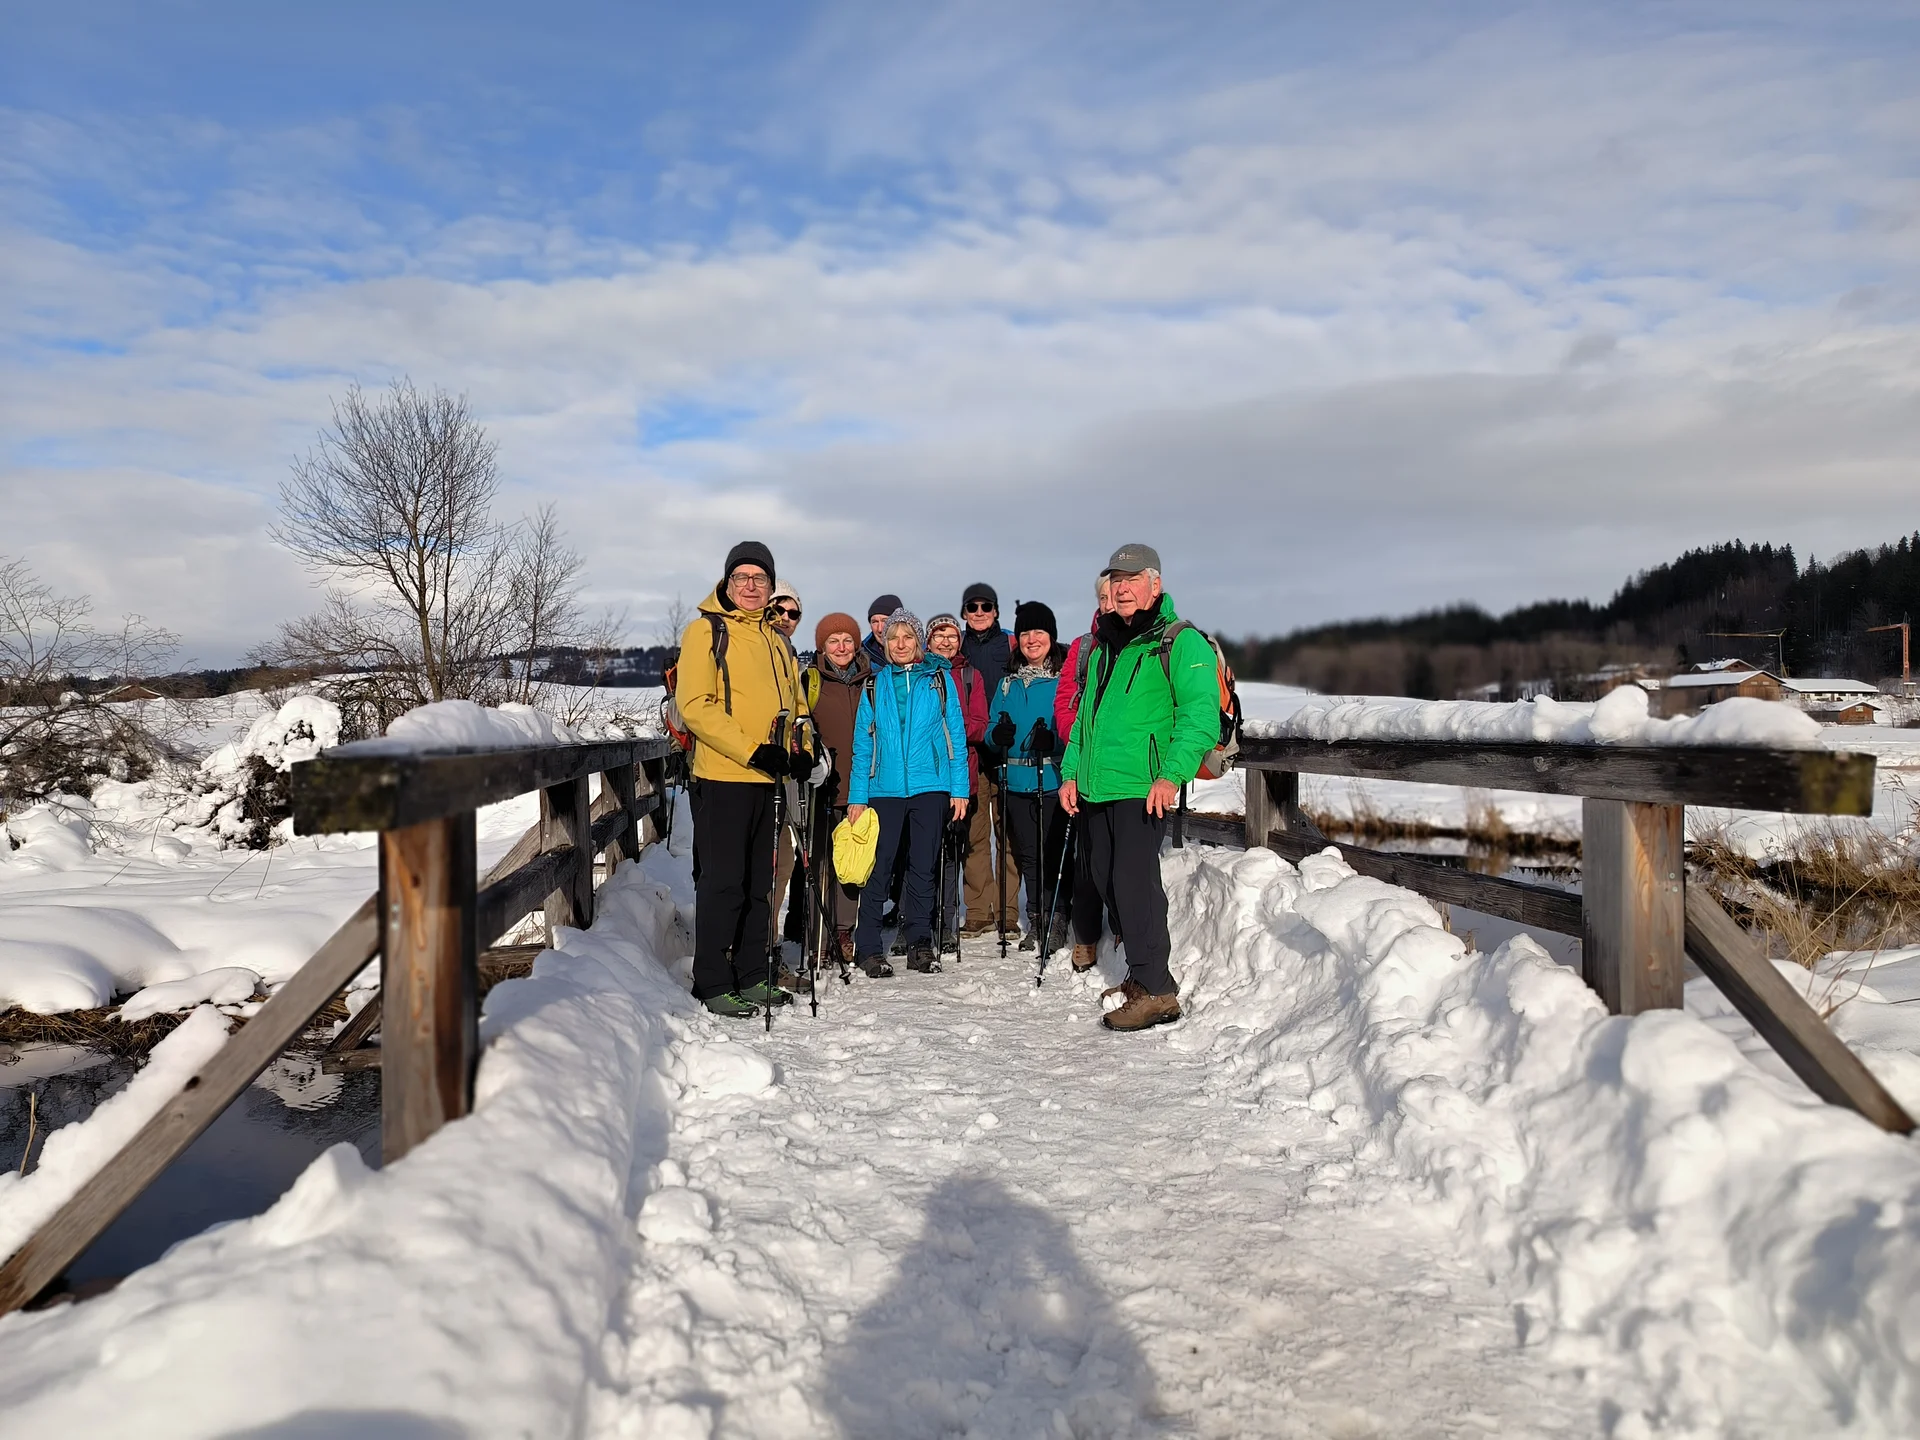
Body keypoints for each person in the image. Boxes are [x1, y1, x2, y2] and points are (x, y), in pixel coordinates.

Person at [1059, 544, 1216, 1032]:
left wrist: (1172, 774)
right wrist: (1070, 772)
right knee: (1106, 877)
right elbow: (1086, 716)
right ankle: (1141, 976)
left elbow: (1199, 716)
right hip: (1098, 785)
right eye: (1116, 580)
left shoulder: (1179, 641)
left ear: (1156, 585)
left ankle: (1157, 990)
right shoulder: (1106, 643)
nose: (1123, 588)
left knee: (1134, 884)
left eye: (1133, 579)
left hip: (1144, 785)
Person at [675, 541, 811, 1018]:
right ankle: (712, 979)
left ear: (772, 586)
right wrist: (754, 750)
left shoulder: (777, 641)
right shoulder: (706, 631)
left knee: (761, 882)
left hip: (769, 781)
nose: (751, 587)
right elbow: (696, 706)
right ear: (727, 582)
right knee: (723, 882)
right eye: (742, 578)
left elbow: (796, 709)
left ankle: (753, 973)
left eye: (760, 579)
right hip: (725, 776)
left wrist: (801, 751)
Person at [847, 609, 969, 975]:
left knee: (922, 867)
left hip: (930, 786)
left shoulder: (940, 681)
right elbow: (862, 746)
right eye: (894, 638)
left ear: (918, 643)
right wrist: (857, 795)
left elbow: (955, 740)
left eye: (908, 638)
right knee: (878, 868)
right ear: (885, 643)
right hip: (883, 788)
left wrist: (959, 788)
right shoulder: (874, 684)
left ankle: (920, 944)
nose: (900, 644)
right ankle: (867, 947)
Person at [985, 601, 1071, 953]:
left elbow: (1076, 729)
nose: (1031, 640)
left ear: (1051, 636)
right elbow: (992, 726)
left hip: (1052, 781)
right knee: (1029, 856)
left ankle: (1058, 917)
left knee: (1053, 854)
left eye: (1038, 632)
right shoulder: (1007, 684)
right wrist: (997, 736)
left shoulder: (1065, 681)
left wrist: (1057, 740)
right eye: (1024, 633)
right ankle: (1037, 917)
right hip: (1017, 783)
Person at [1055, 574, 1118, 972]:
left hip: (1130, 769)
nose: (1110, 601)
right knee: (1088, 856)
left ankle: (1128, 926)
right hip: (1087, 766)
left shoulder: (1144, 643)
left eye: (1116, 594)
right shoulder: (1082, 649)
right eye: (1104, 596)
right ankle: (1087, 937)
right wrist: (1078, 746)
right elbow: (1065, 703)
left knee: (1123, 856)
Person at [804, 611, 872, 962]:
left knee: (851, 862)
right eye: (834, 641)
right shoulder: (810, 681)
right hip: (821, 785)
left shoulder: (871, 680)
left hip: (861, 786)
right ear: (822, 646)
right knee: (819, 863)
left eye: (847, 640)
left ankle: (844, 931)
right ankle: (817, 933)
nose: (841, 647)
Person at [957, 583, 1018, 938]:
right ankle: (978, 909)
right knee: (975, 835)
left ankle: (1008, 910)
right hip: (973, 754)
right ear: (964, 613)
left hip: (1006, 752)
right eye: (972, 607)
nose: (979, 613)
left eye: (986, 606)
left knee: (1007, 834)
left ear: (996, 611)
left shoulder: (1008, 645)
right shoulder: (958, 647)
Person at [925, 613, 989, 951]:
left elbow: (979, 724)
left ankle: (946, 924)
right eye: (939, 635)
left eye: (952, 635)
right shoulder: (920, 673)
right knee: (921, 854)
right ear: (929, 641)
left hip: (962, 777)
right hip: (924, 775)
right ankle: (919, 923)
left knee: (952, 853)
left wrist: (944, 729)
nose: (946, 642)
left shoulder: (969, 676)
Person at [764, 581, 807, 982]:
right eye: (779, 609)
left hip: (781, 776)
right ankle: (747, 954)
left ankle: (769, 952)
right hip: (748, 775)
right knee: (764, 864)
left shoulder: (790, 656)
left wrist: (805, 748)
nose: (786, 619)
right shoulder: (756, 647)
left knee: (783, 862)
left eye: (794, 613)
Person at [863, 593, 903, 665]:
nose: (880, 629)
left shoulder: (919, 656)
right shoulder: (862, 658)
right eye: (875, 622)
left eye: (885, 621)